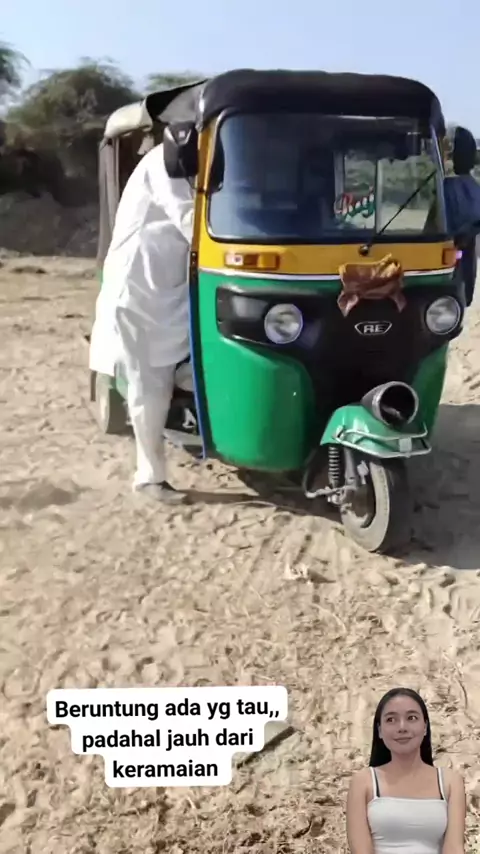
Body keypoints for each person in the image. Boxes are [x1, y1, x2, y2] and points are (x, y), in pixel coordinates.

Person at [89, 139, 194, 503]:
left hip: (170, 291)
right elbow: (190, 219)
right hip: (141, 293)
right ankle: (149, 478)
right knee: (149, 385)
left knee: (179, 373)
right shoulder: (164, 163)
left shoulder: (202, 170)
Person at [346, 687, 466, 854]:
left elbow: (454, 848)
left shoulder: (450, 782)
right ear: (379, 730)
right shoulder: (363, 781)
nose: (402, 727)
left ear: (425, 726)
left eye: (411, 718)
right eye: (391, 720)